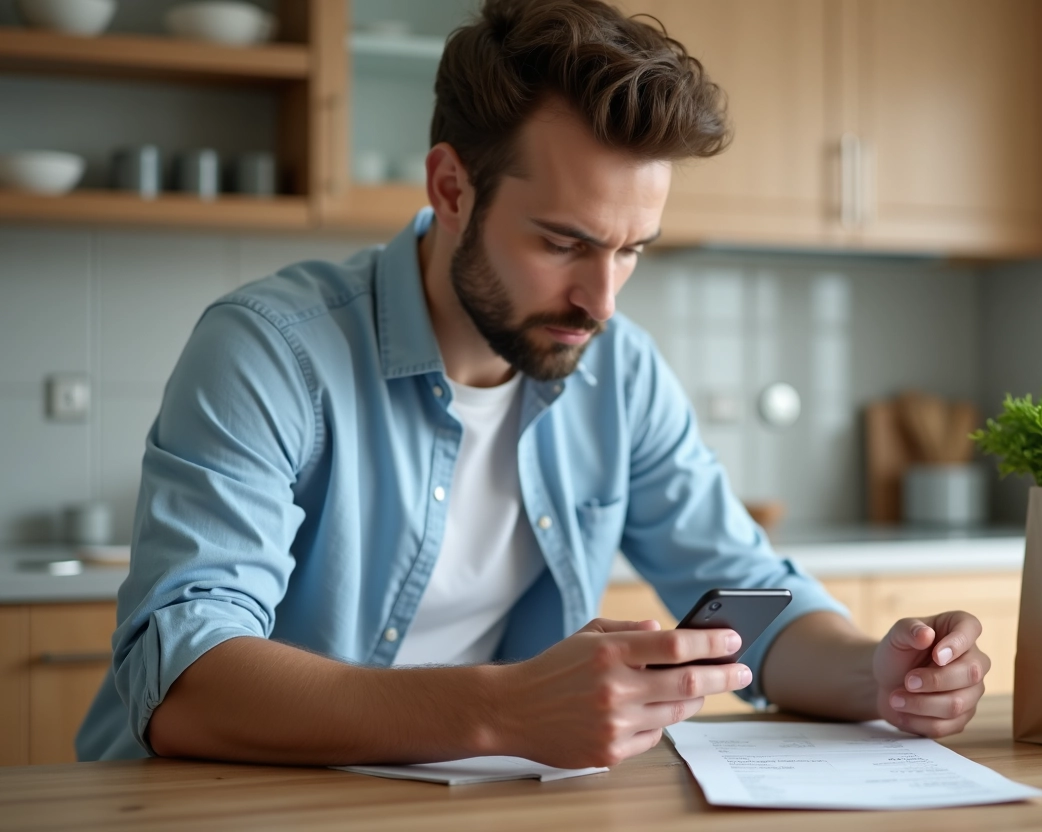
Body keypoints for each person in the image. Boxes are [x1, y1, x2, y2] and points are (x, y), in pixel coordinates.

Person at [77, 0, 990, 767]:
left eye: (632, 250)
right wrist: (505, 710)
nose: (600, 300)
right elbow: (185, 682)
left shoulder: (618, 372)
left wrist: (879, 674)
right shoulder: (272, 351)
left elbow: (749, 599)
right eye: (563, 243)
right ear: (451, 187)